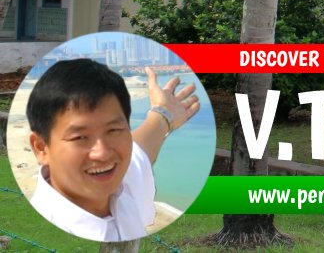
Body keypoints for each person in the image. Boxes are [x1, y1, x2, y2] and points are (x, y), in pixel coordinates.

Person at [26, 59, 201, 242]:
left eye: (113, 130)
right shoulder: (51, 232)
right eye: (79, 137)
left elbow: (141, 149)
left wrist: (163, 113)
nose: (102, 153)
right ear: (41, 148)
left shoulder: (121, 182)